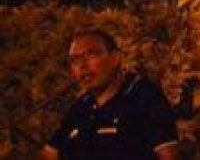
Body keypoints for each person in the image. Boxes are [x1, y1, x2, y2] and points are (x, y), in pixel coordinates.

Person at [42, 30, 179, 160]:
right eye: (75, 60)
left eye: (91, 55)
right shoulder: (81, 107)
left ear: (115, 58)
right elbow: (50, 153)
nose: (83, 65)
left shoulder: (144, 97)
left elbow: (169, 155)